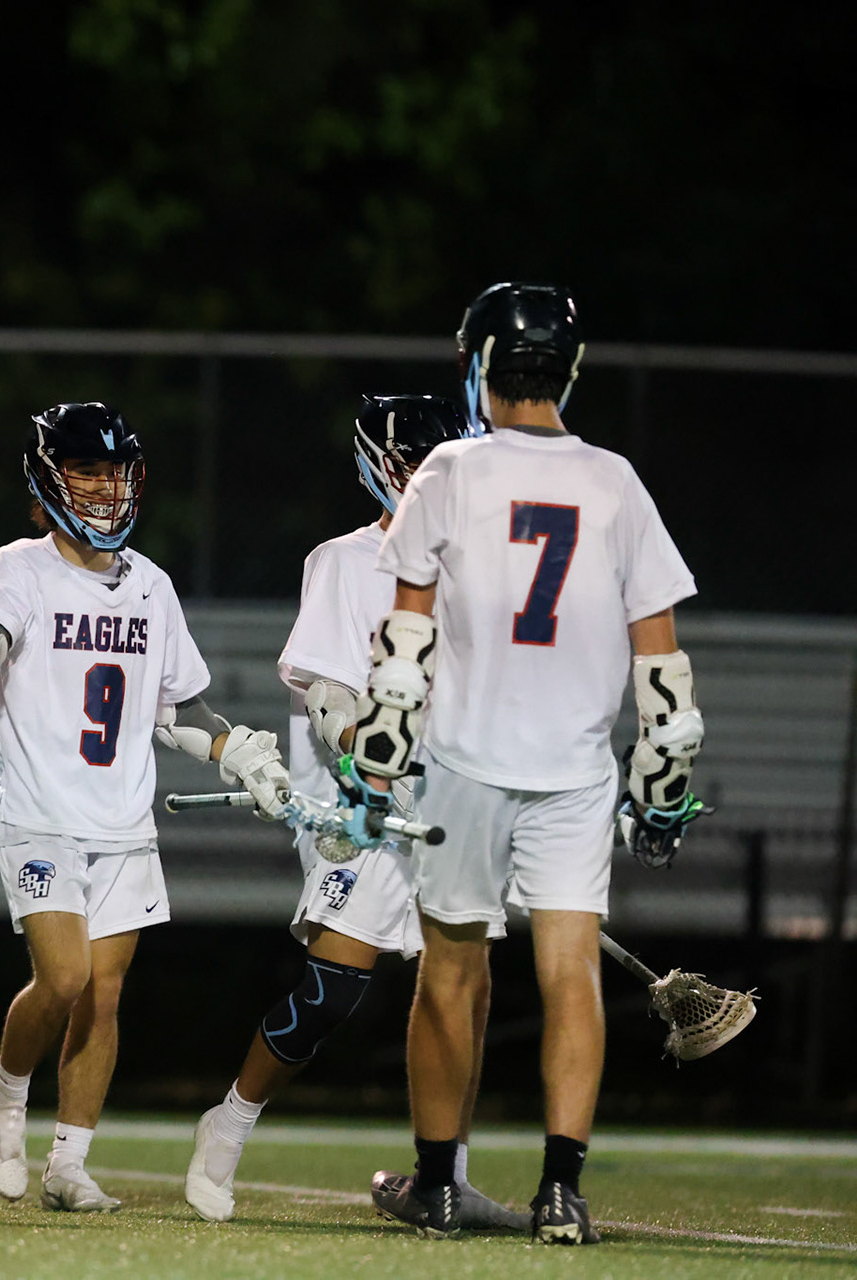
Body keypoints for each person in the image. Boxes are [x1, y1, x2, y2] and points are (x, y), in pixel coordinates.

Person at [345, 285, 705, 1242]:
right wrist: (663, 780)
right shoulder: (618, 481)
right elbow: (660, 661)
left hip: (464, 762)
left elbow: (404, 645)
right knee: (571, 974)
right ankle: (561, 1193)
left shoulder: (450, 472)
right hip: (576, 770)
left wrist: (378, 758)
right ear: (568, 370)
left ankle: (434, 1184)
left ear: (481, 365)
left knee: (450, 976)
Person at [0, 402, 290, 1212]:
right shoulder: (20, 567)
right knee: (61, 980)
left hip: (123, 820)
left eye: (116, 470)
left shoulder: (153, 586)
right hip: (40, 811)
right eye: (89, 470)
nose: (106, 486)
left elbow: (178, 710)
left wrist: (242, 754)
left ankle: (70, 1161)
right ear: (48, 478)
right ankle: (6, 1096)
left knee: (104, 994)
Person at [183, 396, 524, 1230]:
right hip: (358, 796)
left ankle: (447, 1175)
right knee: (335, 988)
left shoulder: (487, 565)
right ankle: (227, 1125)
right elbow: (326, 692)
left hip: (459, 792)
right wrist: (377, 758)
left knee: (463, 987)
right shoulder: (346, 560)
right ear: (380, 466)